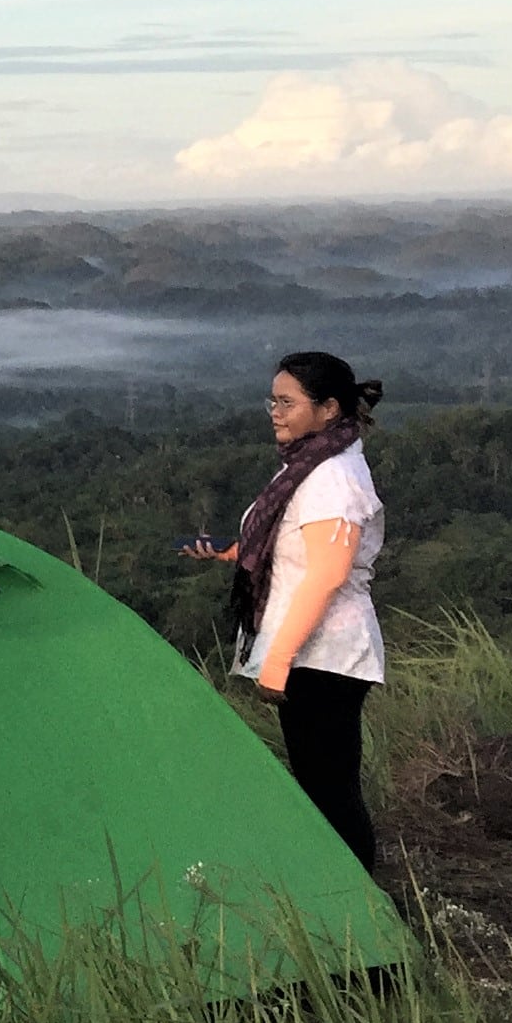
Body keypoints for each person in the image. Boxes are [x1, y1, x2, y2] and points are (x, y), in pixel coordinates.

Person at [182, 351, 387, 871]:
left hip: (325, 657)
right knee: (320, 784)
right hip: (312, 655)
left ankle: (361, 913)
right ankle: (342, 900)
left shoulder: (333, 478)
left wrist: (277, 661)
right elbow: (294, 549)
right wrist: (232, 550)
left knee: (330, 792)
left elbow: (328, 573)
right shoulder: (309, 467)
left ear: (328, 409)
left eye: (288, 402)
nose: (275, 411)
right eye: (273, 400)